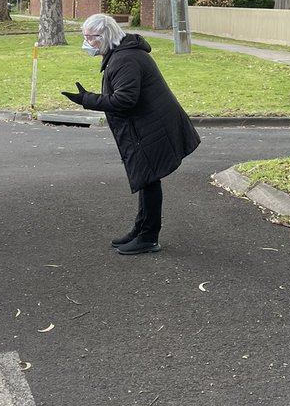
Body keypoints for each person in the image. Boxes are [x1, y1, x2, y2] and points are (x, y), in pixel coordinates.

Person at [63, 13, 201, 255]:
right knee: (147, 179)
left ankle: (148, 237)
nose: (87, 43)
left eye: (90, 38)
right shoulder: (122, 55)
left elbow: (125, 100)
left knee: (149, 179)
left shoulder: (125, 59)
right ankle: (141, 229)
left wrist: (88, 100)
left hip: (153, 127)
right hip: (148, 125)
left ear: (104, 36)